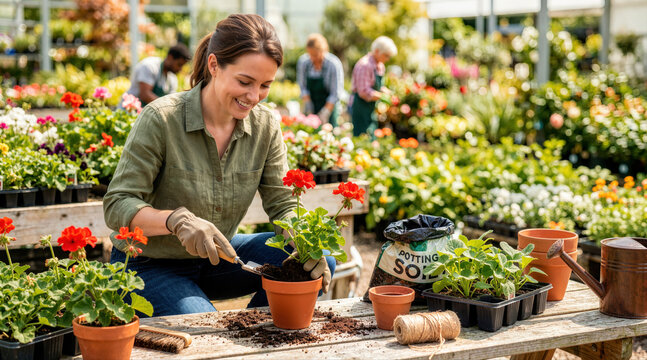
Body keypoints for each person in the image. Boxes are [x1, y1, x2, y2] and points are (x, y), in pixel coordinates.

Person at [104, 14, 335, 317]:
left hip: (220, 259)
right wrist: (176, 221)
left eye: (265, 85)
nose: (254, 96)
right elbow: (117, 204)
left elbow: (282, 205)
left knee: (316, 259)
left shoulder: (265, 126)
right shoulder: (161, 119)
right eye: (244, 81)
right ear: (214, 65)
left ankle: (258, 330)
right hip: (149, 263)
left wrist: (302, 240)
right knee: (202, 327)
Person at [350, 36, 397, 137]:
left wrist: (387, 92)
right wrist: (382, 97)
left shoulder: (380, 66)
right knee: (361, 137)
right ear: (376, 51)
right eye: (386, 55)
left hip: (370, 107)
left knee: (371, 135)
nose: (387, 59)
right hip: (360, 106)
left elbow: (378, 86)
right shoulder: (365, 65)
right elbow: (363, 91)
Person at [119, 43, 192, 107]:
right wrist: (166, 106)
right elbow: (145, 95)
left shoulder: (172, 79)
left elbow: (171, 101)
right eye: (179, 64)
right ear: (170, 57)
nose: (180, 69)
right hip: (129, 112)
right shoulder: (149, 66)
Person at [296, 33, 344, 127]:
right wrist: (308, 105)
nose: (312, 58)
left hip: (329, 108)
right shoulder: (304, 63)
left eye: (315, 55)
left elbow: (335, 93)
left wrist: (325, 112)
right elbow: (302, 86)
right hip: (311, 104)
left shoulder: (333, 64)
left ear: (323, 50)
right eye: (310, 54)